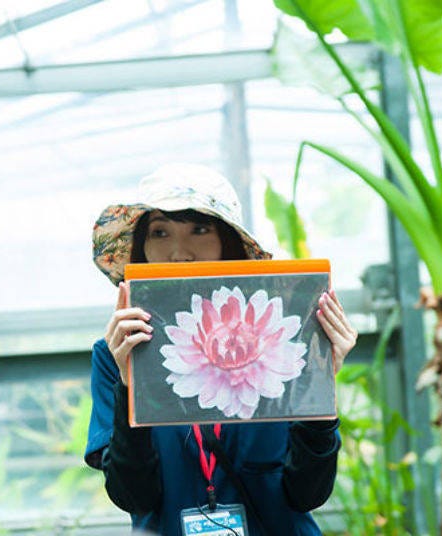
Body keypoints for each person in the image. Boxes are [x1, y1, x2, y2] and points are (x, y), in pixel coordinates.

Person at [84, 163, 358, 536]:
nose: (179, 253)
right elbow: (135, 497)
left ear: (229, 243)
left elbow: (308, 493)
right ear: (141, 249)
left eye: (200, 229)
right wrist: (131, 388)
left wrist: (318, 385)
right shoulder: (115, 354)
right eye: (160, 231)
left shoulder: (285, 337)